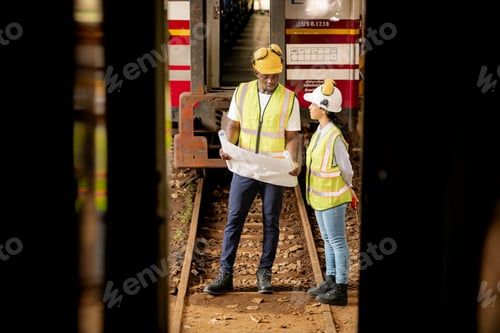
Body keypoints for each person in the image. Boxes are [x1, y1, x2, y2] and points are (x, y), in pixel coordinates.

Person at [203, 44, 302, 295]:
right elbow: (233, 124)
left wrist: (293, 161)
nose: (271, 80)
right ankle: (225, 275)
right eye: (266, 75)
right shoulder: (242, 91)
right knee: (234, 219)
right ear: (256, 71)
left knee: (271, 222)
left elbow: (292, 137)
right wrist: (229, 145)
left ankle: (264, 273)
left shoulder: (289, 99)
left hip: (273, 171)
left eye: (275, 75)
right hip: (245, 167)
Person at [303, 79, 359, 306]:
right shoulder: (320, 131)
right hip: (320, 197)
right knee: (328, 239)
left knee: (337, 241)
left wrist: (349, 188)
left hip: (333, 197)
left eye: (313, 104)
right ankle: (330, 280)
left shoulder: (334, 136)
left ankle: (341, 288)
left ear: (323, 109)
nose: (309, 107)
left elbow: (346, 169)